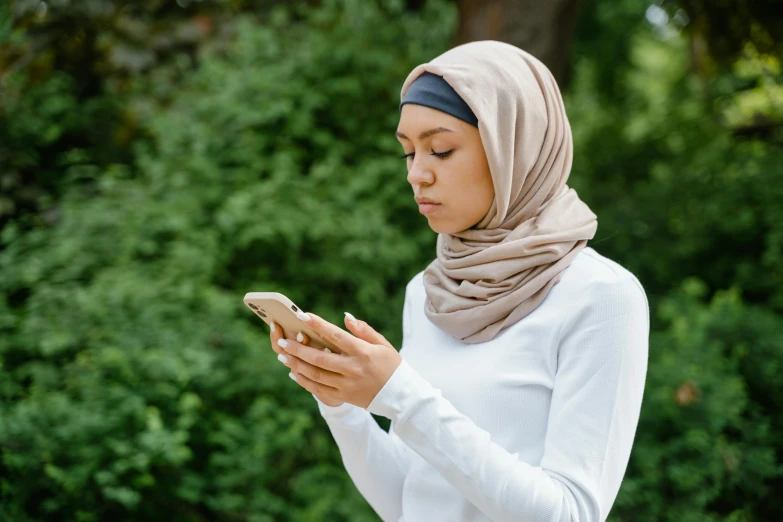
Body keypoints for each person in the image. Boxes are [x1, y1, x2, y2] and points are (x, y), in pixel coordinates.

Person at [270, 40, 649, 522]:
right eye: (408, 152)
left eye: (441, 149)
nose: (417, 175)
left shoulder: (600, 297)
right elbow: (409, 502)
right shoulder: (429, 292)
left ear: (511, 145)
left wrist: (401, 395)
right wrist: (340, 403)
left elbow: (570, 514)